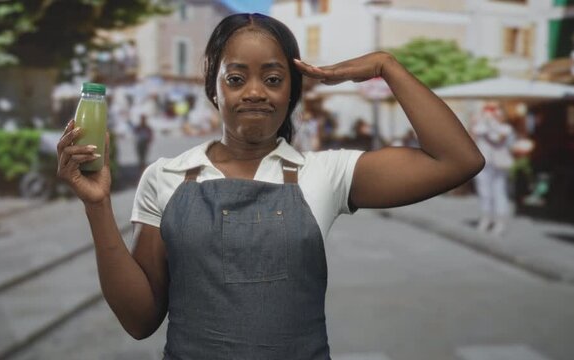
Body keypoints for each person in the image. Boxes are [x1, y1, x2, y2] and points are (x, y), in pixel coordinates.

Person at [56, 13, 484, 359]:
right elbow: (140, 320)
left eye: (274, 79)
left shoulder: (326, 174)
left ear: (293, 91)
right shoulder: (165, 177)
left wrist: (385, 67)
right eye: (237, 78)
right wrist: (97, 206)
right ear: (214, 87)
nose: (255, 93)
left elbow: (458, 160)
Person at [470, 101, 514, 236]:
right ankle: (486, 218)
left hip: (498, 164)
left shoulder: (505, 128)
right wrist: (476, 121)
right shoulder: (480, 126)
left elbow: (498, 139)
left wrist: (492, 124)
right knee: (484, 193)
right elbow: (472, 137)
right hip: (483, 163)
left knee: (499, 192)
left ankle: (500, 221)